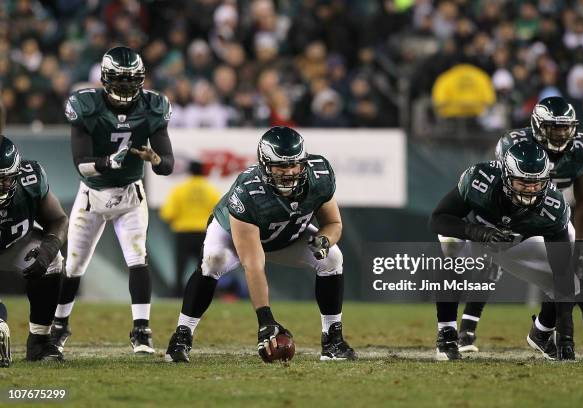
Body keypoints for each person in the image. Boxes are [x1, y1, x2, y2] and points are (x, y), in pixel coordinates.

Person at [164, 126, 356, 363]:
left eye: (294, 164)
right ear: (265, 165)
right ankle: (182, 336)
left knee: (332, 258)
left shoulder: (320, 175)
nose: (289, 172)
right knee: (214, 260)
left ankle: (333, 341)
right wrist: (265, 319)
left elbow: (333, 223)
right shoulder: (249, 190)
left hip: (288, 234)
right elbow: (253, 264)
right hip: (232, 234)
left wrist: (324, 240)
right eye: (280, 166)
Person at [457, 96, 583, 357]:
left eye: (565, 127)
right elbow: (499, 185)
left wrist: (581, 246)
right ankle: (466, 331)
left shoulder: (582, 150)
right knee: (487, 266)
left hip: (551, 216)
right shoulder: (514, 145)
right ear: (539, 126)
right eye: (554, 127)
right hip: (513, 213)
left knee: (576, 265)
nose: (562, 134)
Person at [50, 46, 174, 355]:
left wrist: (155, 158)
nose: (126, 87)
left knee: (137, 257)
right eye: (120, 80)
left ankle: (142, 330)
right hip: (93, 193)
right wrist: (108, 162)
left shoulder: (154, 107)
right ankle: (60, 325)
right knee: (75, 264)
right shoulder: (86, 106)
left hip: (130, 194)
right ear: (105, 79)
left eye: (132, 80)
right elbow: (80, 163)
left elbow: (167, 164)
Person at [430, 141, 577, 361]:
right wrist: (479, 232)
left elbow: (562, 273)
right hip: (475, 239)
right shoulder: (481, 179)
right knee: (450, 243)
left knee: (572, 281)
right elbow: (438, 220)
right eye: (522, 182)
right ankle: (447, 335)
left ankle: (541, 333)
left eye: (536, 183)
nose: (530, 189)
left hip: (516, 244)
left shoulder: (553, 208)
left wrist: (566, 336)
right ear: (506, 176)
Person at [0, 136, 69, 365]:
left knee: (53, 261)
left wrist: (47, 251)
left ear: (17, 173)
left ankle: (39, 341)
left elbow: (58, 219)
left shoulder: (30, 180)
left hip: (16, 245)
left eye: (6, 179)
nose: (1, 186)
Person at [160, 161, 221, 296]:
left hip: (183, 232)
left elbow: (167, 213)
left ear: (189, 172)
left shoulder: (179, 189)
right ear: (204, 172)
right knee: (206, 265)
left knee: (180, 265)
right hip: (204, 233)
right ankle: (208, 293)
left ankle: (177, 293)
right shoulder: (211, 190)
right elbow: (219, 213)